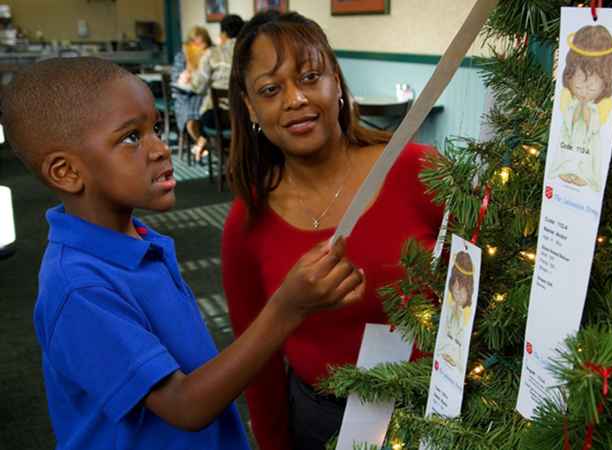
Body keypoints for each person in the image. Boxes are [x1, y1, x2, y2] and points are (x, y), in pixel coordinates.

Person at [0, 57, 365, 450]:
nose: (160, 149)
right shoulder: (78, 288)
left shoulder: (140, 241)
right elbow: (184, 406)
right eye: (130, 138)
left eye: (155, 128)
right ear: (66, 172)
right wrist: (286, 309)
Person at [222, 10, 445, 450]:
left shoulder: (416, 169)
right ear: (250, 107)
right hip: (322, 421)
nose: (296, 99)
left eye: (309, 77)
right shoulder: (246, 222)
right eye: (271, 89)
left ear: (336, 84)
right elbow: (260, 363)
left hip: (437, 412)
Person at [549, 24, 612, 192]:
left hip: (588, 141)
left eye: (592, 89)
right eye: (578, 87)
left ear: (605, 83)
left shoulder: (605, 103)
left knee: (589, 157)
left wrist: (588, 110)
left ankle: (583, 175)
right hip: (569, 137)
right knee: (564, 150)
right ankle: (564, 170)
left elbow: (595, 126)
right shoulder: (566, 96)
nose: (584, 93)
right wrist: (574, 107)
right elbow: (565, 118)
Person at [184, 14, 244, 161]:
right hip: (246, 116)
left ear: (223, 34)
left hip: (220, 117)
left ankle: (220, 154)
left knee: (202, 115)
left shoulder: (212, 54)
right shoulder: (251, 53)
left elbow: (198, 86)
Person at [171, 26, 212, 144]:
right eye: (195, 43)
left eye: (202, 43)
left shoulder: (211, 55)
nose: (199, 47)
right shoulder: (182, 56)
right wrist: (186, 74)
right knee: (191, 116)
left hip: (204, 94)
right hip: (184, 96)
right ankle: (201, 142)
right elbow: (175, 78)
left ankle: (204, 143)